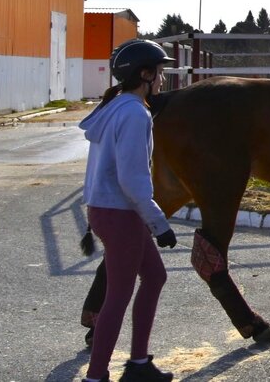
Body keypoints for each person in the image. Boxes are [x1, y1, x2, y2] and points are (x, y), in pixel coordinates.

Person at [80, 39, 178, 382]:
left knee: (154, 277)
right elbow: (132, 179)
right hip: (120, 212)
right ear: (145, 74)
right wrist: (159, 223)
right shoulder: (135, 113)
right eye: (161, 71)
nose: (163, 79)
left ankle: (138, 364)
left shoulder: (117, 106)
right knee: (118, 295)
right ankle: (96, 376)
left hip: (108, 210)